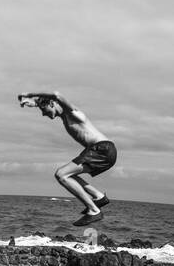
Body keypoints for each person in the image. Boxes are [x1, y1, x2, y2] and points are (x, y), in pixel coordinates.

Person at [17, 91, 116, 225]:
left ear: (52, 104)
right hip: (100, 150)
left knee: (61, 174)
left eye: (43, 109)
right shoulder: (64, 116)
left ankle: (94, 211)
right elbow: (49, 101)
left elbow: (56, 95)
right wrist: (34, 103)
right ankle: (99, 197)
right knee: (69, 175)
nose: (43, 114)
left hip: (102, 149)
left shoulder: (73, 113)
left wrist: (30, 94)